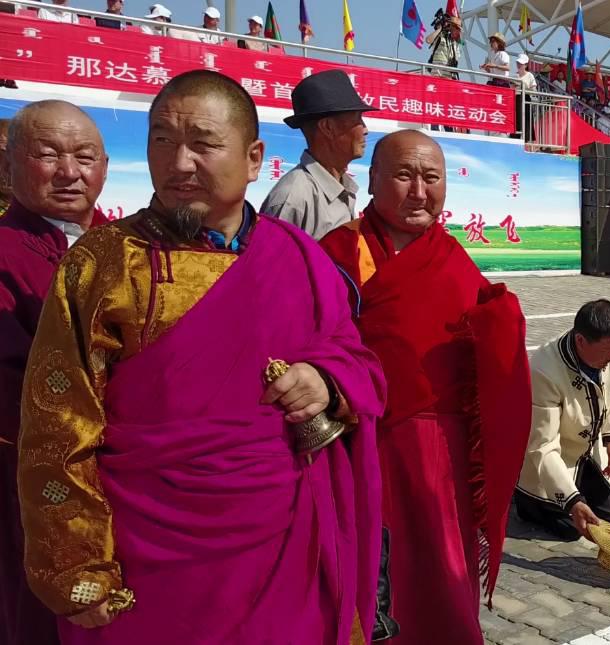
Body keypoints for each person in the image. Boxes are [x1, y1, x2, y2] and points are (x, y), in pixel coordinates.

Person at [18, 71, 384, 644]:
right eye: (161, 140)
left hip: (283, 536)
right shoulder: (102, 264)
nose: (179, 162)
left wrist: (327, 381)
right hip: (148, 555)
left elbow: (355, 355)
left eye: (203, 144)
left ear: (254, 157)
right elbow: (57, 427)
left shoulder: (299, 258)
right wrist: (76, 567)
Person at [318, 130, 531, 645]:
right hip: (358, 440)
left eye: (431, 177)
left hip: (440, 451)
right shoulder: (338, 250)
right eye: (404, 175)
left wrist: (502, 321)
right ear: (371, 180)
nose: (419, 191)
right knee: (365, 567)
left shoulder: (451, 257)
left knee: (441, 572)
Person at [1, 100, 110, 645]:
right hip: (35, 480)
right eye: (48, 154)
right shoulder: (4, 252)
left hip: (133, 476)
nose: (70, 172)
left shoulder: (134, 248)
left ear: (106, 167)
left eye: (85, 156)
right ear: (9, 166)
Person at [517, 300, 610, 540]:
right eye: (608, 350)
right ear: (580, 341)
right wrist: (572, 501)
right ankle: (526, 500)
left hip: (588, 454)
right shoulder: (543, 370)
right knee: (571, 529)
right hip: (552, 459)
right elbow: (543, 447)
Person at [261, 70, 372, 240]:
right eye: (357, 120)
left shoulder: (341, 187)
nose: (365, 130)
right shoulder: (293, 198)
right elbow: (271, 264)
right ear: (327, 127)